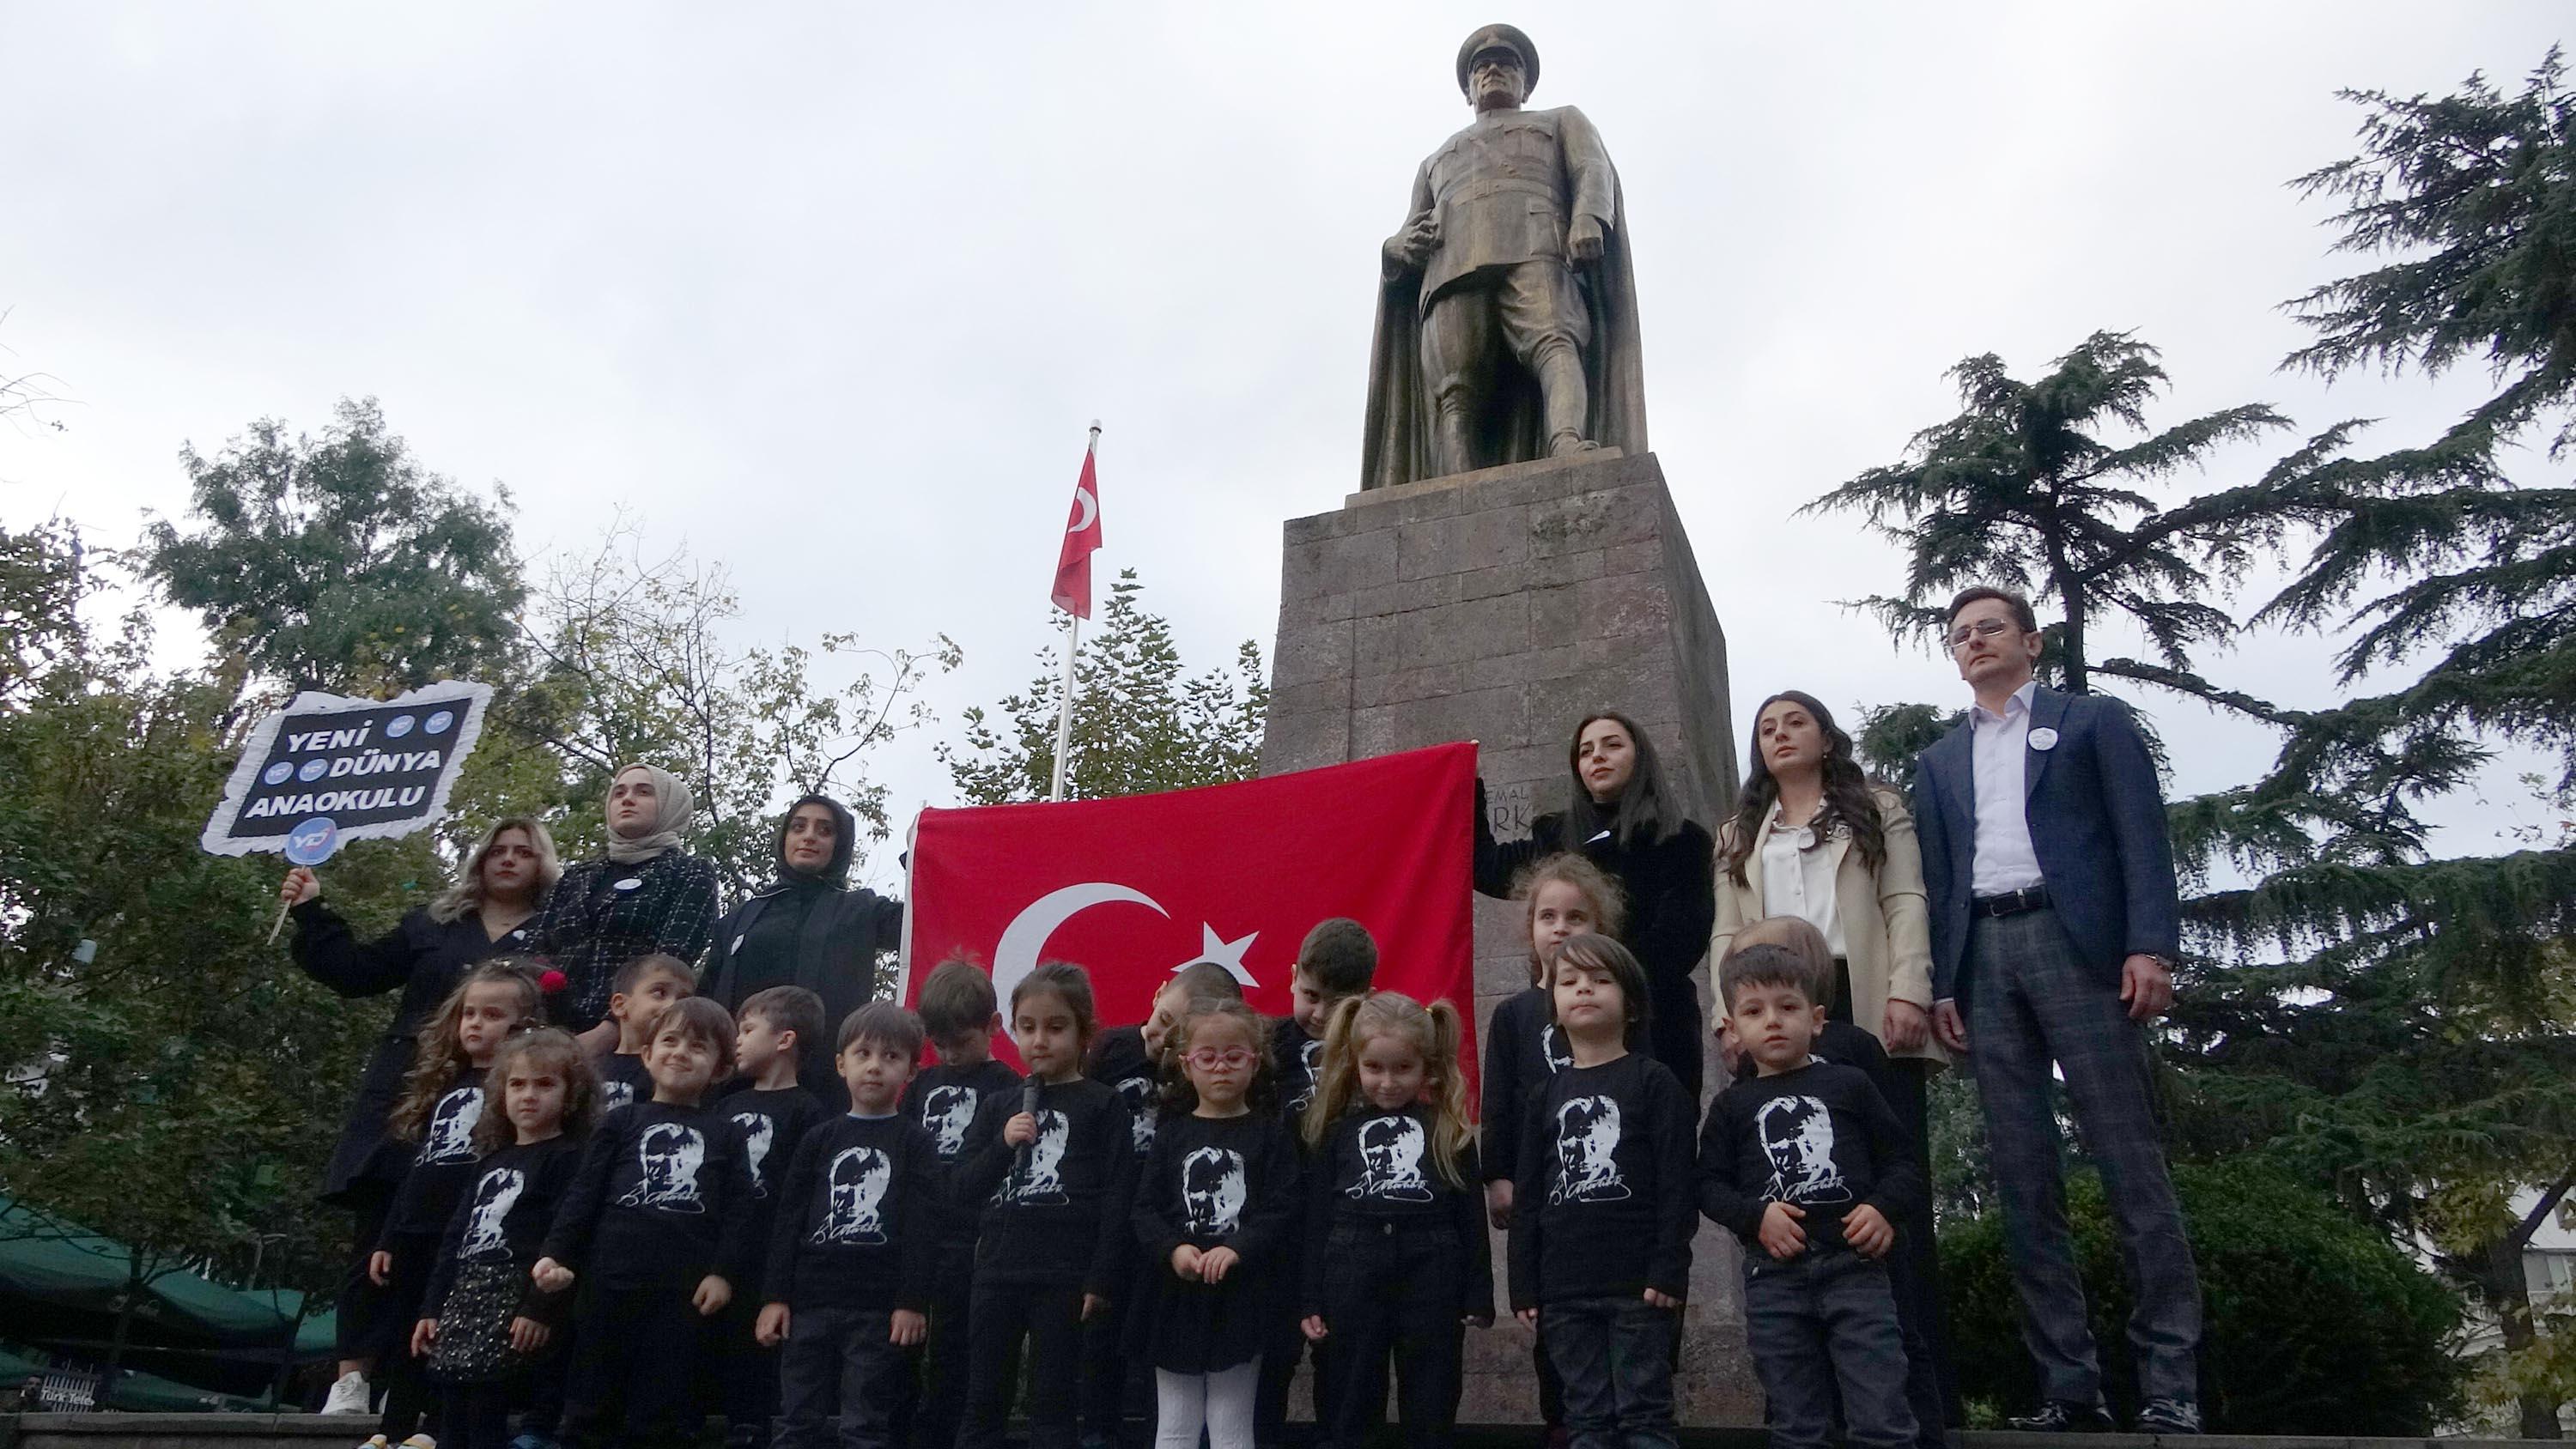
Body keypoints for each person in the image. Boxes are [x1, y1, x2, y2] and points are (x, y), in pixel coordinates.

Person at [1911, 585, 2200, 1434]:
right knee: (2023, 1176)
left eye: (1991, 627)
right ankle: (2069, 1385)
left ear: (2031, 642)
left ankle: (2171, 1381)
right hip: (1985, 959)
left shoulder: (2093, 723)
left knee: (2129, 1162)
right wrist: (1940, 986)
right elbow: (1935, 879)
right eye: (1961, 635)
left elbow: (2141, 835)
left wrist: (2151, 944)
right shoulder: (1937, 762)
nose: (1975, 641)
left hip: (2080, 946)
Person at [1710, 690, 1955, 1430]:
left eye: (1795, 722)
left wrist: (1909, 988)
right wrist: (1729, 1018)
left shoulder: (1876, 807)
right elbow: (1727, 933)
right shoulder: (1737, 832)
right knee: (1787, 1180)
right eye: (1766, 727)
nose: (1779, 735)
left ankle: (1918, 1409)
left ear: (1825, 735)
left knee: (1887, 1190)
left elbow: (1905, 899)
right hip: (1774, 1007)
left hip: (1863, 996)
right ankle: (1808, 1409)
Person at [283, 816, 560, 1418]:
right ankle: (353, 1378)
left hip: (498, 1100)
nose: (508, 860)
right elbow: (358, 972)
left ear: (542, 864)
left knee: (472, 1235)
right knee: (379, 1234)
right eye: (498, 851)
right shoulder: (435, 923)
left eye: (523, 852)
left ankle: (433, 1383)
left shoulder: (556, 932)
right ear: (480, 860)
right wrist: (312, 911)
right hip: (409, 1090)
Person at [1719, 918, 1947, 1449]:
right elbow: (1710, 1183)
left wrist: (1885, 1208)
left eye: (1787, 1005)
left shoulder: (1852, 1073)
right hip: (1776, 1274)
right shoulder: (1734, 1104)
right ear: (1734, 1025)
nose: (1772, 1021)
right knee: (1798, 1417)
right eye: (1753, 1010)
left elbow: (1902, 1158)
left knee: (1885, 1406)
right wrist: (1755, 1217)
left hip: (1860, 1266)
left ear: (1816, 1015)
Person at [536, 997, 758, 1449]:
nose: (679, 1052)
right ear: (647, 1054)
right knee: (591, 1398)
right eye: (670, 1041)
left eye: (697, 1047)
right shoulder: (622, 1121)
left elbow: (741, 1212)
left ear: (719, 1068)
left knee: (663, 1407)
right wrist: (555, 1253)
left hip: (682, 1294)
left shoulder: (728, 1133)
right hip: (606, 1285)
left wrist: (723, 1274)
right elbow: (584, 1195)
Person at [1508, 934, 1694, 1449]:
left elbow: (1678, 1188)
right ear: (1556, 1011)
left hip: (1641, 1289)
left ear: (1632, 1005)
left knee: (1645, 1416)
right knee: (1585, 1420)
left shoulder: (1656, 1084)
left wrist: (1668, 1269)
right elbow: (1529, 1199)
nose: (1583, 989)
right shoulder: (1544, 1095)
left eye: (1600, 979)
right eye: (1569, 982)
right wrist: (1524, 1283)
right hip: (1564, 1293)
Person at [1475, 712, 1717, 1099]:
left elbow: (1681, 940)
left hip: (1655, 1021)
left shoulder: (1683, 840)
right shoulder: (1556, 835)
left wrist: (1601, 981)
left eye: (1612, 745)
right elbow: (1486, 868)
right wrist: (1469, 784)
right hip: (1565, 1023)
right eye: (1586, 751)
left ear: (1641, 758)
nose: (1597, 757)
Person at [952, 962, 1138, 1449]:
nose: (1040, 1040)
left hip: (1065, 1276)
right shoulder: (998, 1105)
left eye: (1056, 1028)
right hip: (997, 1272)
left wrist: (1101, 1277)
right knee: (984, 1398)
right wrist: (1001, 1144)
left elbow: (1119, 1196)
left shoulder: (1103, 1104)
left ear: (1084, 1033)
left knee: (1052, 1403)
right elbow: (963, 1187)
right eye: (1028, 1028)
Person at [359, 962, 544, 1449]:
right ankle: (392, 1428)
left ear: (523, 1025)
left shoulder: (514, 1090)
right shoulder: (445, 1082)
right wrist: (389, 1235)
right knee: (406, 1331)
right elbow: (417, 1165)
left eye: (492, 1014)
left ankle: (433, 1427)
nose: (476, 1024)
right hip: (416, 1225)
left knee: (451, 1330)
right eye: (469, 1014)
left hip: (465, 1233)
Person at [1299, 992, 1492, 1449]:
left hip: (1432, 1274)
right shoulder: (1334, 1130)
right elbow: (1316, 1220)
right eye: (1375, 1068)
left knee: (1431, 1398)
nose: (1388, 1082)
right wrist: (1309, 1297)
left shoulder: (1448, 1129)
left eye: (1403, 1068)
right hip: (1350, 1272)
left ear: (1426, 1066)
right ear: (1355, 1064)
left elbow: (1470, 1217)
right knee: (1349, 1396)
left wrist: (1477, 1292)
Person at [1479, 852, 1624, 1446]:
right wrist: (1498, 1176)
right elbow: (1498, 1104)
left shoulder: (1619, 1007)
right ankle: (1563, 1426)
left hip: (1607, 1201)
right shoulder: (1515, 1016)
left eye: (1576, 917)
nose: (1561, 928)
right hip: (1540, 1197)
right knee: (1553, 1327)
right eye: (1547, 916)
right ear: (1530, 929)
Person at [758, 1001, 942, 1449]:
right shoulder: (820, 1138)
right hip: (808, 1303)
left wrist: (911, 1302)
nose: (875, 1067)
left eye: (891, 1057)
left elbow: (923, 1227)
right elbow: (788, 1221)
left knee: (864, 1424)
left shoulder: (915, 1142)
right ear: (842, 1065)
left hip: (877, 1308)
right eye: (863, 1055)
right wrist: (775, 1297)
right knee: (796, 1419)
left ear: (912, 1072)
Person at [1084, 961, 1248, 1449]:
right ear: (1157, 993)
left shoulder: (1191, 1075)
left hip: (1167, 1225)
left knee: (1154, 1342)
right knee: (1100, 1335)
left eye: (1180, 1036)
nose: (1162, 1039)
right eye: (1164, 1020)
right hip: (1106, 1217)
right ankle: (1098, 1432)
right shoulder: (1112, 1048)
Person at [1132, 1000, 1302, 1449]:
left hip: (1242, 1296)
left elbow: (1283, 1207)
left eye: (1234, 1056)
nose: (1220, 1068)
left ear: (1255, 1061)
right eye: (1207, 1057)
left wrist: (1239, 1248)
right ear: (1187, 1066)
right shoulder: (1171, 1134)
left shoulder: (1270, 1133)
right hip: (1177, 1296)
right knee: (1176, 1423)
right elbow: (1145, 1209)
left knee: (1230, 1423)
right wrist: (1174, 1249)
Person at [414, 1028, 594, 1449]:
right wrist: (432, 1306)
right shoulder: (490, 1160)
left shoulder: (570, 1158)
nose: (528, 1095)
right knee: (451, 1416)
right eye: (517, 1084)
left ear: (571, 1095)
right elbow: (456, 1237)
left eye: (544, 1084)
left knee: (486, 1413)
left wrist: (540, 1307)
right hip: (467, 1291)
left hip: (515, 1294)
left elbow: (566, 1237)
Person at [1258, 921, 1377, 1447]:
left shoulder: (1373, 1051)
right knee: (1272, 1354)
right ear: (1292, 979)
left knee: (1344, 1355)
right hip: (1278, 1223)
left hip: (1344, 1228)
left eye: (1339, 1002)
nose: (1322, 1014)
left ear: (1367, 998)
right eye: (1310, 996)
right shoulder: (1265, 1044)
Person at [701, 794, 907, 1090]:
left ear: (840, 845)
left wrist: (920, 853)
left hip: (823, 1087)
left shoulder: (860, 910)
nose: (809, 837)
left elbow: (924, 922)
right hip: (732, 1088)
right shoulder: (740, 918)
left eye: (825, 830)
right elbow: (706, 998)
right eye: (798, 827)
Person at [903, 961, 1024, 1449]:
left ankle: (957, 1431)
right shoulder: (922, 1087)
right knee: (907, 1339)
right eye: (940, 1044)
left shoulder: (1009, 1085)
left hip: (977, 1237)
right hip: (922, 1231)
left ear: (994, 1027)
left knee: (960, 1344)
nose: (950, 1054)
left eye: (961, 1041)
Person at [716, 986, 831, 1449]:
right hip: (722, 1247)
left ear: (785, 1039)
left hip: (775, 1254)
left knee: (765, 1346)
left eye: (746, 1030)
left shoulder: (810, 1113)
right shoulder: (726, 1106)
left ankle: (757, 1426)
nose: (737, 1041)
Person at [534, 764, 721, 1033]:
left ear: (672, 806)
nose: (628, 799)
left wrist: (610, 1030)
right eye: (618, 793)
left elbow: (670, 964)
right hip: (548, 1030)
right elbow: (535, 950)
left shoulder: (689, 872)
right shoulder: (577, 875)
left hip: (630, 1037)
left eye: (644, 792)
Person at [594, 955, 696, 1112]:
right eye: (660, 993)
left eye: (683, 1000)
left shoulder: (673, 1068)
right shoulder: (591, 1068)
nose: (673, 1005)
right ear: (620, 1005)